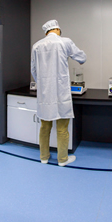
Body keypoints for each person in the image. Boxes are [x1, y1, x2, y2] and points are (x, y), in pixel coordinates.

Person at [30, 19, 87, 166]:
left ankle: (44, 157)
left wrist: (42, 83)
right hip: (61, 92)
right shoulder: (65, 42)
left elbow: (33, 70)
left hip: (45, 93)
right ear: (57, 29)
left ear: (46, 32)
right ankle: (62, 159)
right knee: (62, 128)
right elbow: (82, 57)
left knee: (44, 127)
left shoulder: (36, 46)